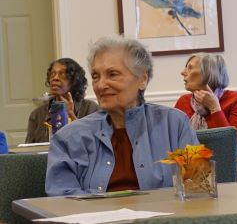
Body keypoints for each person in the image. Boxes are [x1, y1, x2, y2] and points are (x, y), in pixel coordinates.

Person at [45, 35, 199, 196]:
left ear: (142, 79)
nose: (101, 85)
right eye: (96, 77)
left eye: (112, 74)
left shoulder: (175, 125)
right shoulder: (69, 138)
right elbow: (62, 201)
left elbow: (197, 187)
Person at [174, 53, 237, 146]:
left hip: (223, 158)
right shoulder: (183, 101)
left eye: (190, 68)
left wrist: (214, 107)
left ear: (208, 73)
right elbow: (172, 138)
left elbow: (233, 143)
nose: (183, 72)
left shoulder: (236, 99)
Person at [25, 58, 99, 143]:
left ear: (74, 80)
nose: (55, 78)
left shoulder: (91, 109)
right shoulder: (37, 114)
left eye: (62, 74)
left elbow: (93, 145)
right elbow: (28, 150)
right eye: (52, 74)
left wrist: (71, 115)